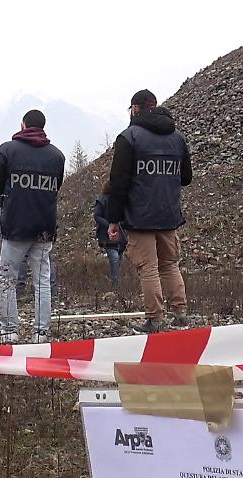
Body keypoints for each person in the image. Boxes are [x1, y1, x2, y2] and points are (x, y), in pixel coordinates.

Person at [105, 89, 193, 333]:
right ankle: (181, 314)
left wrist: (113, 220)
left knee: (149, 268)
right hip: (168, 214)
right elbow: (186, 177)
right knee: (170, 264)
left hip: (140, 216)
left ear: (135, 108)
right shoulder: (178, 137)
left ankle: (154, 320)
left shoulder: (129, 138)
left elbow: (118, 183)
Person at [0, 109, 66, 343]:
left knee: (7, 279)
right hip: (44, 228)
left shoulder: (7, 150)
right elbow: (55, 186)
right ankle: (41, 334)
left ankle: (9, 330)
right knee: (42, 281)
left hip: (15, 226)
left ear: (23, 125)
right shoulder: (57, 156)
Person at [94, 183, 126, 286]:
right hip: (108, 237)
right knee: (115, 259)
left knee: (118, 260)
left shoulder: (121, 200)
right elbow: (97, 216)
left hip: (121, 237)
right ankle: (115, 285)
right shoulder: (102, 199)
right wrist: (109, 225)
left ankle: (116, 284)